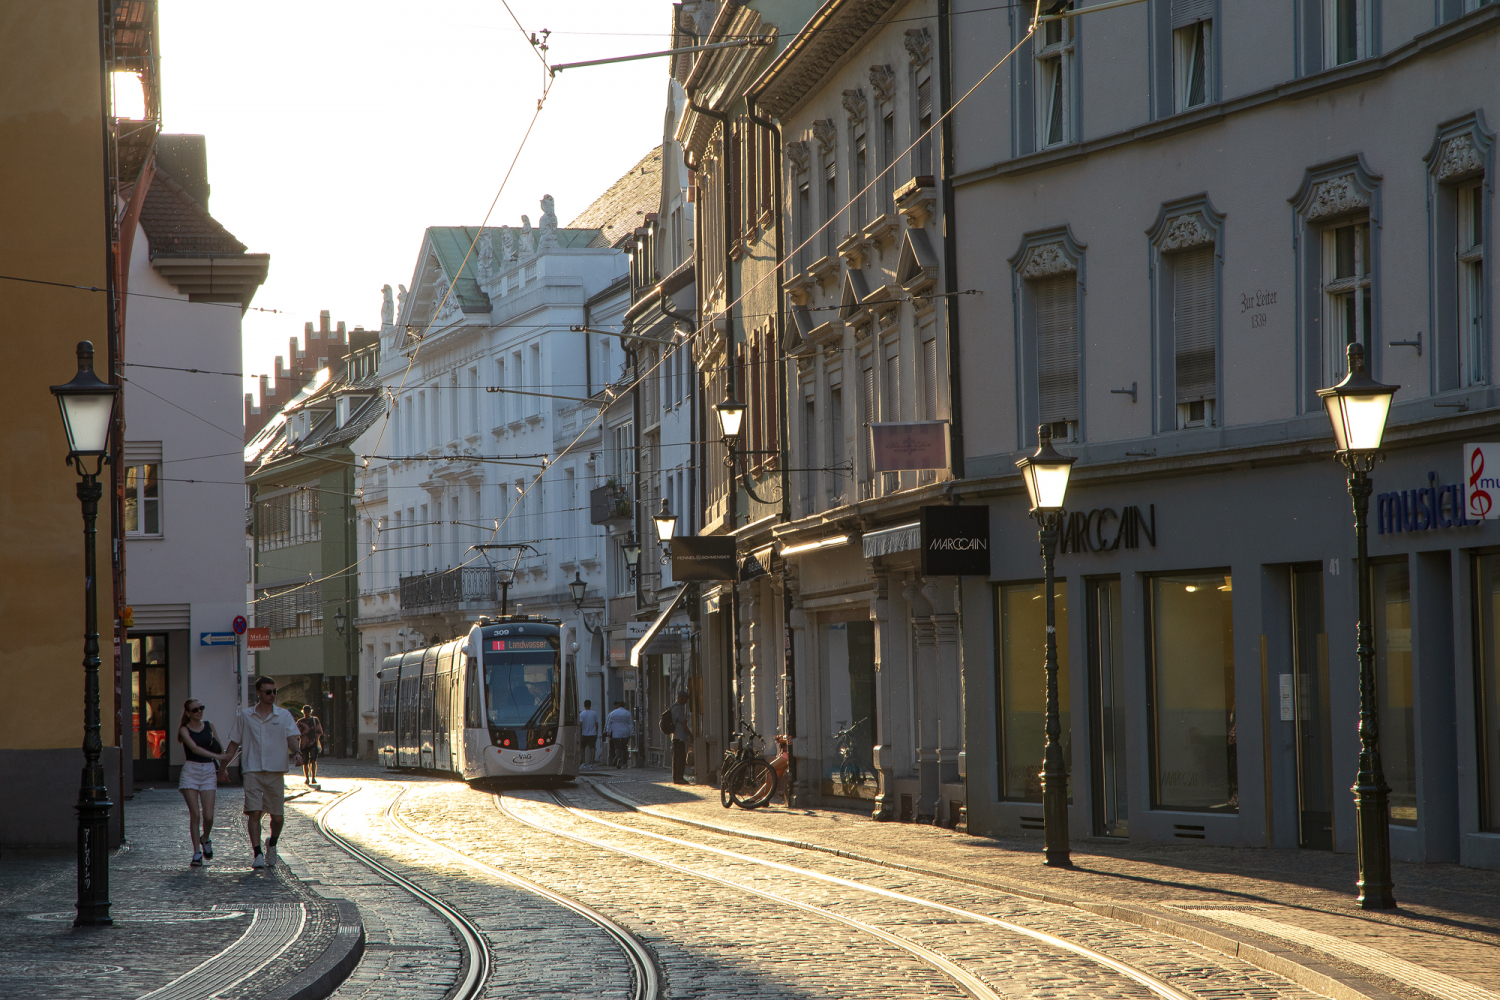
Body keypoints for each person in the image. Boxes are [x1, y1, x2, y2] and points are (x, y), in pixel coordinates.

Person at [222, 677, 302, 869]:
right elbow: (233, 743)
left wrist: (297, 753)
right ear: (258, 693)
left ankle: (272, 843)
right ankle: (257, 853)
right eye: (268, 692)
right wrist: (223, 767)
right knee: (254, 812)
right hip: (252, 771)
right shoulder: (246, 717)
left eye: (274, 691)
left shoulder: (283, 716)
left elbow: (292, 738)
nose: (272, 695)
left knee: (278, 817)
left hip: (276, 771)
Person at [177, 699, 231, 866]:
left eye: (201, 708)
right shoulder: (184, 730)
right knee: (196, 815)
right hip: (191, 771)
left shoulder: (209, 725)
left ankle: (205, 838)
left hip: (208, 771)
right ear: (188, 713)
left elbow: (219, 747)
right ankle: (196, 853)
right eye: (195, 710)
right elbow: (194, 748)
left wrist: (222, 767)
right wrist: (219, 757)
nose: (199, 712)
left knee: (208, 815)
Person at [297, 705, 324, 787]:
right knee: (305, 761)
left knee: (313, 759)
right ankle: (307, 777)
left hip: (313, 743)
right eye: (305, 712)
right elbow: (295, 732)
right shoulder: (300, 722)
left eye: (308, 712)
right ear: (303, 712)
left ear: (310, 712)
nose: (307, 714)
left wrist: (316, 739)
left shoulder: (315, 720)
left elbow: (319, 731)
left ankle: (313, 777)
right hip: (304, 743)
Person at [670, 690, 692, 784]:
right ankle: (679, 778)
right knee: (680, 757)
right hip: (679, 737)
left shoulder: (676, 707)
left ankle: (677, 777)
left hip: (677, 737)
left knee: (677, 757)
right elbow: (683, 722)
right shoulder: (677, 708)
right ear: (681, 698)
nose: (686, 702)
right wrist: (689, 733)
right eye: (685, 699)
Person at [606, 700, 633, 768]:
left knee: (617, 747)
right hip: (625, 734)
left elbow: (609, 724)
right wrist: (632, 733)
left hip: (616, 734)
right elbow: (630, 724)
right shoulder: (628, 713)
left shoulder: (613, 713)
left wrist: (608, 732)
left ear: (618, 706)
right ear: (624, 706)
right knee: (624, 748)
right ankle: (624, 763)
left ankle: (618, 757)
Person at [578, 699, 600, 770]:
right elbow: (596, 724)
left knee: (582, 748)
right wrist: (596, 732)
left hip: (584, 734)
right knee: (592, 748)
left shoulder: (581, 714)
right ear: (590, 705)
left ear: (584, 705)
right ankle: (591, 764)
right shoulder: (594, 713)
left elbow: (580, 725)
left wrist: (580, 734)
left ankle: (583, 763)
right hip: (592, 734)